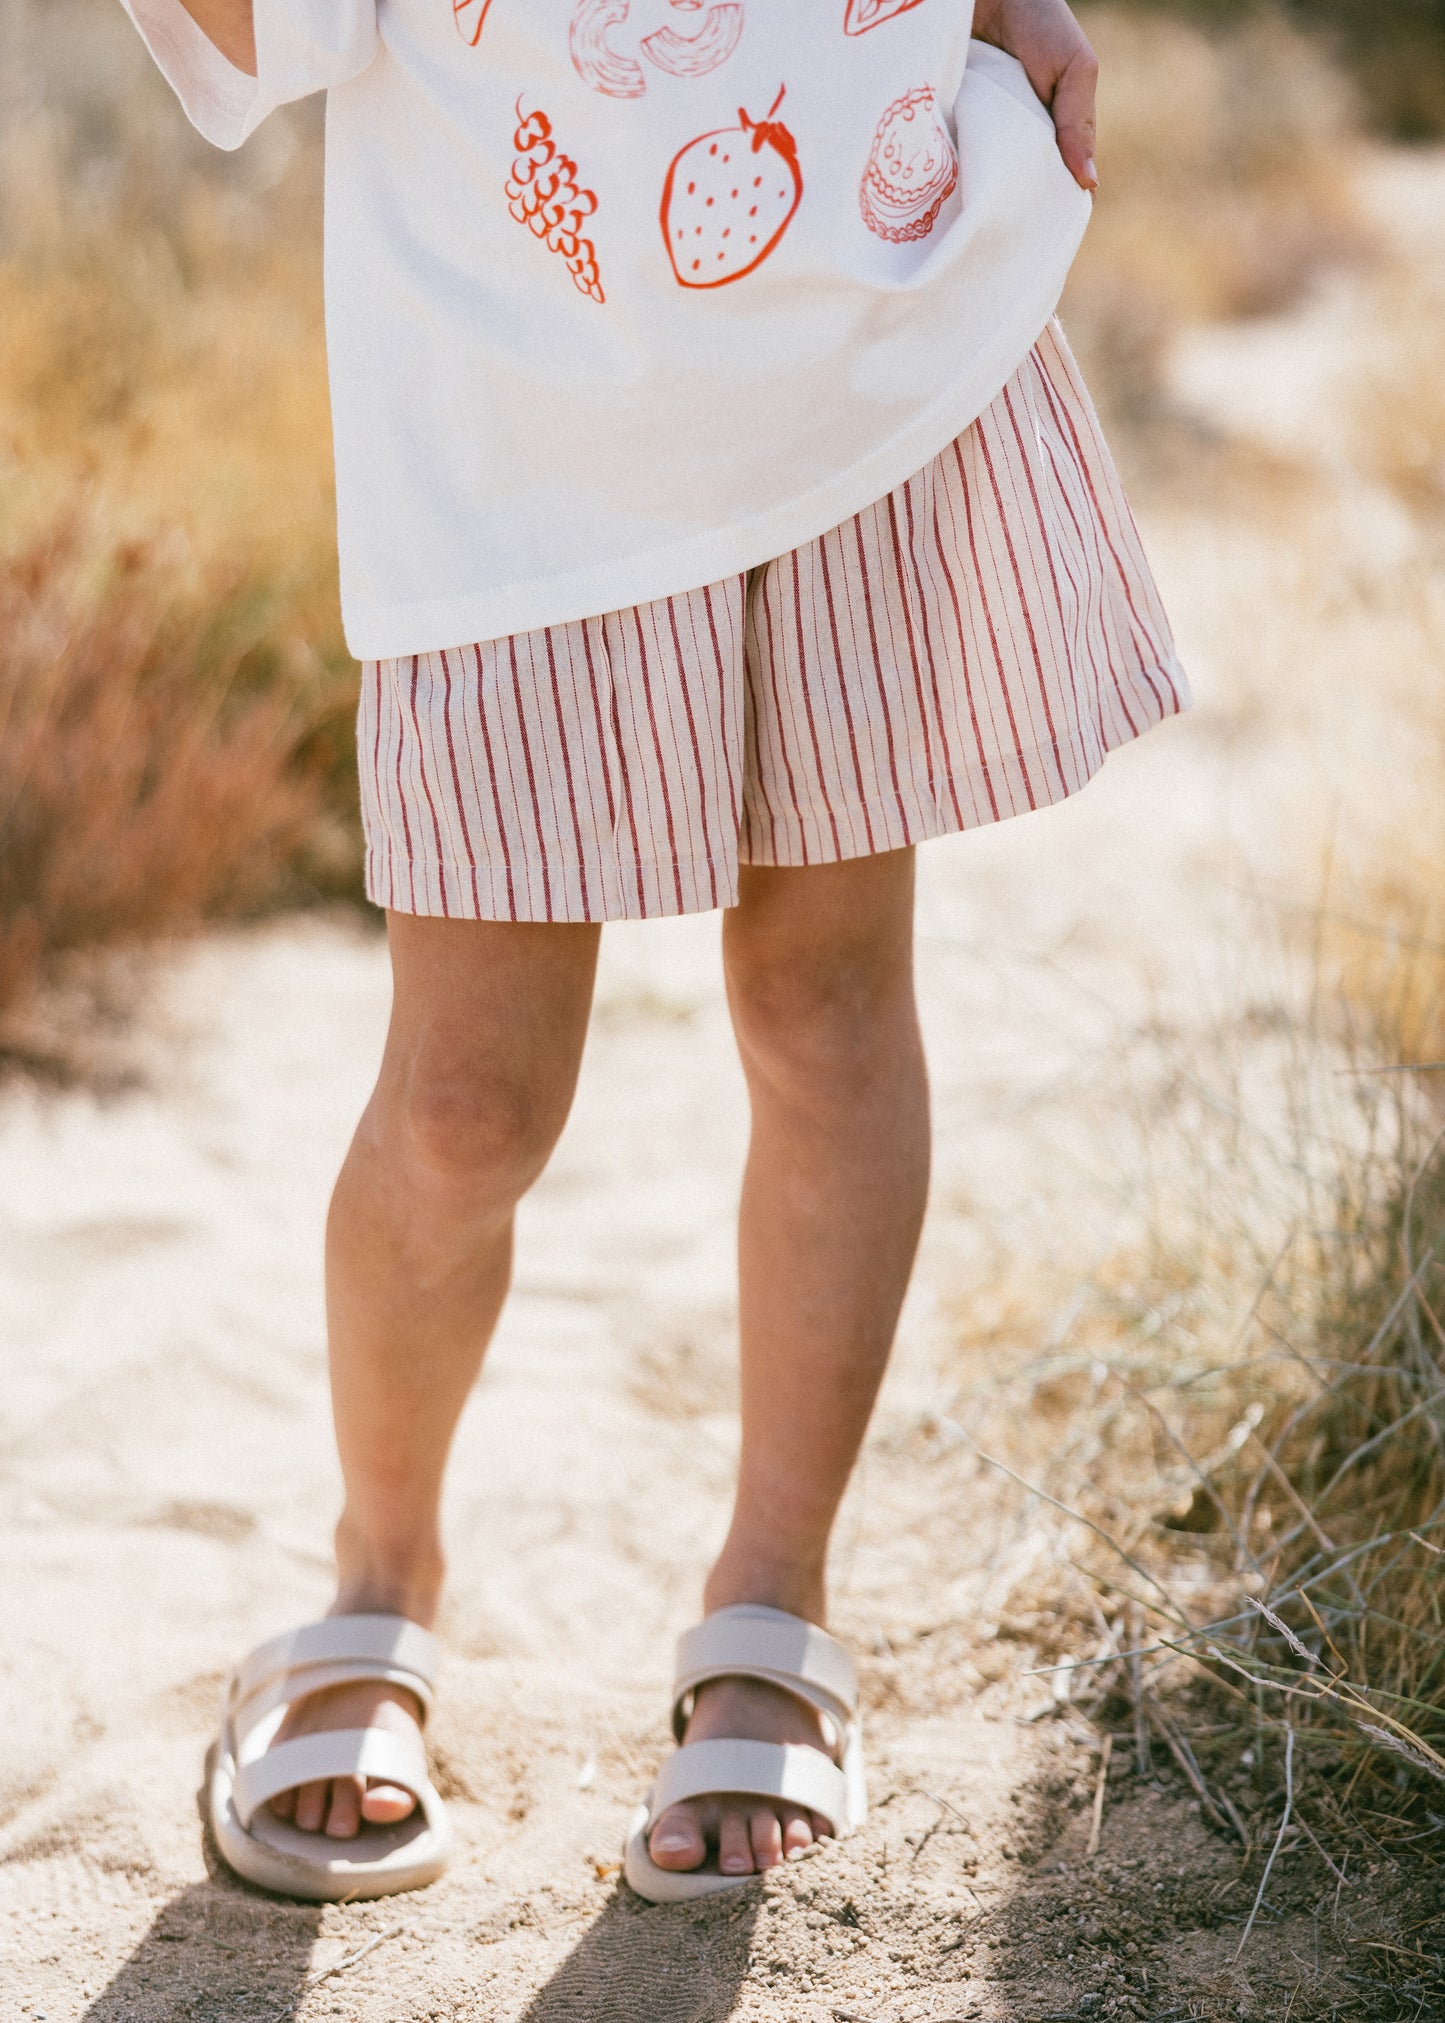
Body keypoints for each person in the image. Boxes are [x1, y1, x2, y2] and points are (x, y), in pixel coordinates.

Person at [119, 0, 1188, 1903]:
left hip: (872, 322)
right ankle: (376, 1584)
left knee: (823, 1004)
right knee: (464, 1107)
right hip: (510, 431)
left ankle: (772, 1605)